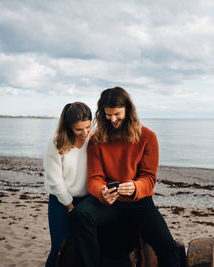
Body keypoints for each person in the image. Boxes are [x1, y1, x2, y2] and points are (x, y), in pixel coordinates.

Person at [72, 87, 180, 267]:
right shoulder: (97, 139)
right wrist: (102, 192)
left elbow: (149, 178)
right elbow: (94, 178)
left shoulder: (148, 137)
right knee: (81, 213)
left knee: (168, 247)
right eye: (108, 115)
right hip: (110, 202)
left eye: (117, 114)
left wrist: (135, 187)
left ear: (128, 110)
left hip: (139, 203)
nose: (112, 119)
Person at [43, 102, 93, 267]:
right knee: (60, 248)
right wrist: (70, 206)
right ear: (68, 126)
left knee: (83, 248)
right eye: (79, 129)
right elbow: (55, 181)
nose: (85, 133)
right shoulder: (56, 143)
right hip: (61, 202)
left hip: (87, 202)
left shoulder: (92, 140)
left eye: (88, 127)